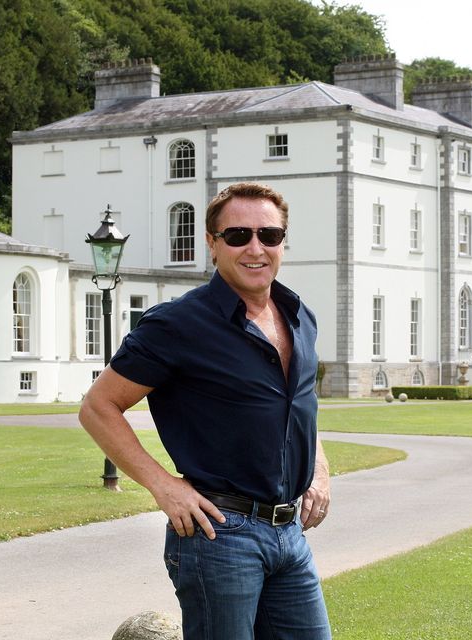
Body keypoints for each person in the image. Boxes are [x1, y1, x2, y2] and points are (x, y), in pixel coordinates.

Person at [79, 182, 331, 639]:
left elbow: (299, 409)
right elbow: (99, 406)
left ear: (282, 242)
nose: (255, 247)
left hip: (290, 533)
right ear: (212, 245)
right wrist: (164, 487)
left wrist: (319, 469)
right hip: (220, 536)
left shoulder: (299, 316)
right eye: (238, 235)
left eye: (268, 235)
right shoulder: (177, 324)